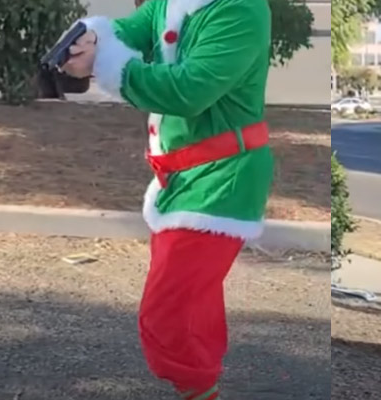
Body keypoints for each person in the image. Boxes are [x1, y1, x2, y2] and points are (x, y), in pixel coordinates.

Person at [61, 1, 274, 398]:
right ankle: (201, 386)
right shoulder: (170, 2)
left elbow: (188, 90)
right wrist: (92, 41)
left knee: (167, 315)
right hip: (182, 180)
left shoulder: (241, 9)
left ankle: (199, 388)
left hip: (223, 182)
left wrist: (108, 65)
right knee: (193, 304)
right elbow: (129, 30)